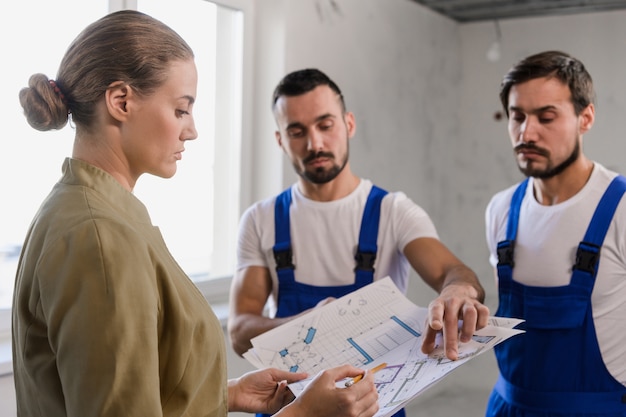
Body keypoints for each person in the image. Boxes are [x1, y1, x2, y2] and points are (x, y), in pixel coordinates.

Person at [13, 10, 380, 417]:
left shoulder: (82, 207)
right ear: (121, 102)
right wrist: (303, 414)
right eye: (181, 110)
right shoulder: (100, 238)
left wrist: (227, 394)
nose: (192, 130)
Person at [227, 68, 490, 417]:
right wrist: (309, 322)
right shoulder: (261, 220)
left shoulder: (392, 211)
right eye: (297, 131)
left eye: (325, 125)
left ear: (348, 124)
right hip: (290, 408)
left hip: (375, 407)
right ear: (280, 140)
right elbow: (241, 330)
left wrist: (458, 292)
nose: (315, 144)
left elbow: (453, 272)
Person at [485, 50, 626, 417]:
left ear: (586, 118)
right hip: (508, 407)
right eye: (517, 117)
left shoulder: (621, 209)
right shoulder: (501, 210)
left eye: (546, 117)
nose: (526, 133)